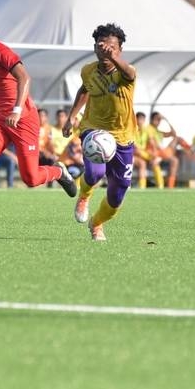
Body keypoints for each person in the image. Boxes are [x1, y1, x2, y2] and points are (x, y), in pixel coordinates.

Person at [0, 7, 77, 231]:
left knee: (30, 178)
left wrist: (17, 109)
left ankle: (58, 171)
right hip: (0, 121)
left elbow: (24, 77)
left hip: (24, 119)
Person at [63, 23, 137, 241]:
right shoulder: (88, 70)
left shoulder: (124, 73)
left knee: (117, 195)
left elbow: (131, 73)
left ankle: (96, 223)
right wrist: (72, 116)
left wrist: (113, 58)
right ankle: (84, 195)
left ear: (119, 50)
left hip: (122, 137)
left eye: (111, 47)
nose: (105, 50)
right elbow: (85, 89)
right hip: (93, 130)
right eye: (101, 46)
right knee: (95, 173)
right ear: (95, 47)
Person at [148, 112, 181, 188]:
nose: (158, 121)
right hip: (154, 153)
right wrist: (159, 156)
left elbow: (173, 134)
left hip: (161, 153)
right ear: (152, 119)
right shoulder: (149, 129)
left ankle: (170, 185)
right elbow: (152, 144)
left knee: (175, 160)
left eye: (159, 120)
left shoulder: (158, 132)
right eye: (157, 119)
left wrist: (166, 120)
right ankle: (168, 185)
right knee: (174, 160)